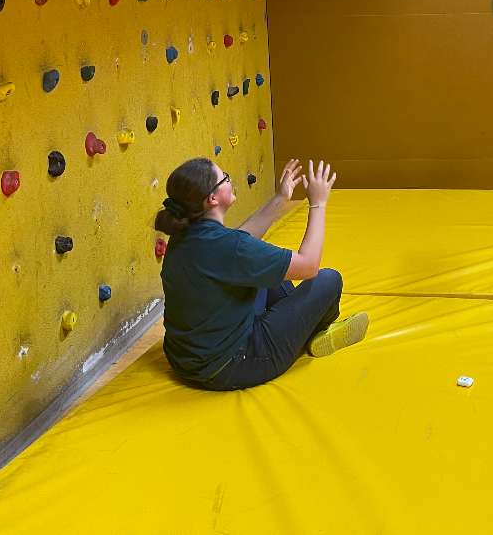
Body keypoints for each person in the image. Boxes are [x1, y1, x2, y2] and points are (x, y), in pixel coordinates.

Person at [155, 157, 368, 390]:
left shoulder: (186, 235)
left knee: (262, 271)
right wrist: (318, 203)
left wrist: (280, 198)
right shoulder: (230, 246)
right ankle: (313, 334)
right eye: (224, 177)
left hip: (184, 361)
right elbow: (309, 267)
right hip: (232, 366)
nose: (229, 179)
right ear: (213, 199)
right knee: (328, 280)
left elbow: (241, 242)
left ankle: (295, 325)